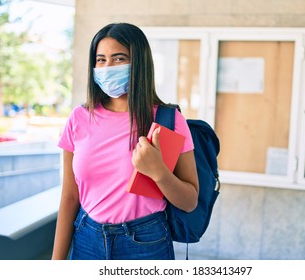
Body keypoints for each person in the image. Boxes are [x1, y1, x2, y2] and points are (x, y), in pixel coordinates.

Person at [51, 22, 199, 260]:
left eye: (119, 59)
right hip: (87, 238)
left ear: (139, 63)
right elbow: (69, 197)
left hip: (146, 242)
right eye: (101, 60)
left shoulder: (167, 120)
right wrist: (55, 263)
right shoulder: (79, 118)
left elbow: (190, 201)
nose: (107, 67)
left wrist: (159, 172)